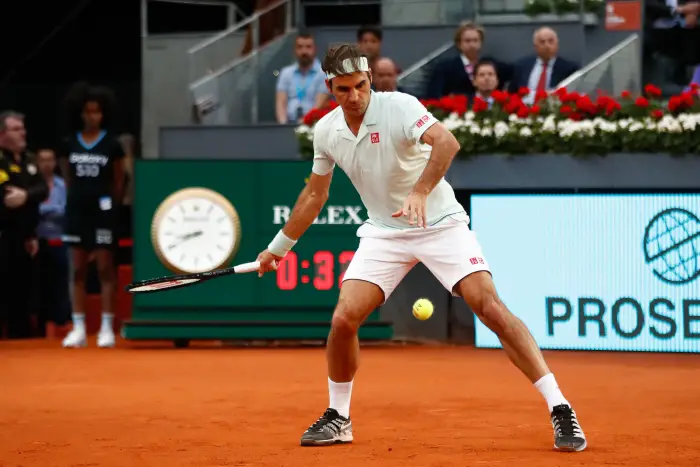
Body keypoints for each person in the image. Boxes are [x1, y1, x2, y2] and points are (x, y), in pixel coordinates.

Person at [255, 44, 587, 452]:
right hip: (383, 232)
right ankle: (338, 417)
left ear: (369, 79)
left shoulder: (399, 106)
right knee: (343, 319)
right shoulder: (326, 131)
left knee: (488, 305)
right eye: (344, 90)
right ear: (330, 87)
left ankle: (560, 406)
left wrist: (420, 192)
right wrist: (278, 247)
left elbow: (446, 143)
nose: (355, 96)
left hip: (439, 222)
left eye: (361, 86)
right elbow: (314, 196)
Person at [58, 82, 125, 348]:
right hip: (77, 212)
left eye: (96, 112)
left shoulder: (112, 144)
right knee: (77, 270)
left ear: (103, 113)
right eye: (87, 112)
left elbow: (119, 181)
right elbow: (67, 177)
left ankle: (107, 328)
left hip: (103, 213)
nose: (92, 116)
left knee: (105, 269)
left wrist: (110, 208)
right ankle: (79, 328)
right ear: (80, 113)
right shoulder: (68, 143)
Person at [0, 111, 48, 338]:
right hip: (4, 234)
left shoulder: (29, 159)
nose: (23, 132)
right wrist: (26, 194)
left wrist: (26, 195)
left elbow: (43, 189)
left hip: (26, 235)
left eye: (23, 128)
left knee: (24, 286)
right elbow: (6, 195)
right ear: (2, 133)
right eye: (16, 129)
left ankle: (23, 333)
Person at [36, 148, 72, 336]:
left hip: (59, 240)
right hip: (37, 240)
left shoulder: (62, 185)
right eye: (42, 160)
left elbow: (64, 211)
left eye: (50, 160)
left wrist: (45, 211)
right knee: (39, 283)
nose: (46, 164)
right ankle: (41, 323)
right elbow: (34, 210)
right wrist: (51, 211)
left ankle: (62, 321)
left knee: (61, 282)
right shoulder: (32, 184)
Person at [508, 27, 579, 104]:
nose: (547, 45)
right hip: (525, 111)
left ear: (557, 44)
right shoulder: (522, 66)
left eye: (550, 41)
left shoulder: (568, 68)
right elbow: (512, 93)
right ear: (535, 46)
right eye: (542, 42)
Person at [275, 32, 328, 124]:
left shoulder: (323, 73)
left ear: (315, 49)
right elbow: (280, 102)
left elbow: (319, 105)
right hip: (288, 123)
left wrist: (303, 124)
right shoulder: (286, 73)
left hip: (313, 124)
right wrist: (282, 125)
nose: (304, 51)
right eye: (300, 47)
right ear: (295, 50)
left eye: (308, 47)